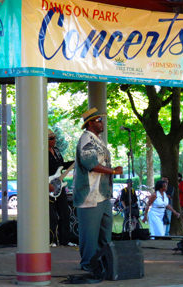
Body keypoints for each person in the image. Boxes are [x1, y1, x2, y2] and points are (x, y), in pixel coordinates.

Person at [72, 107, 123, 272]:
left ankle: (102, 262)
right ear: (90, 123)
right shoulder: (86, 139)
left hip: (102, 195)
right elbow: (91, 164)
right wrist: (114, 171)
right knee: (90, 235)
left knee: (105, 233)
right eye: (99, 120)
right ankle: (88, 265)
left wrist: (111, 169)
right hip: (89, 195)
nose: (103, 123)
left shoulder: (97, 140)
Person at [48, 129, 75, 247]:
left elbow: (62, 166)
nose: (54, 140)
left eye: (54, 138)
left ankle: (65, 240)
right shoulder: (41, 152)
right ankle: (51, 240)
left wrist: (75, 163)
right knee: (52, 216)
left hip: (59, 184)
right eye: (51, 138)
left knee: (65, 213)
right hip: (48, 185)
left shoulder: (57, 151)